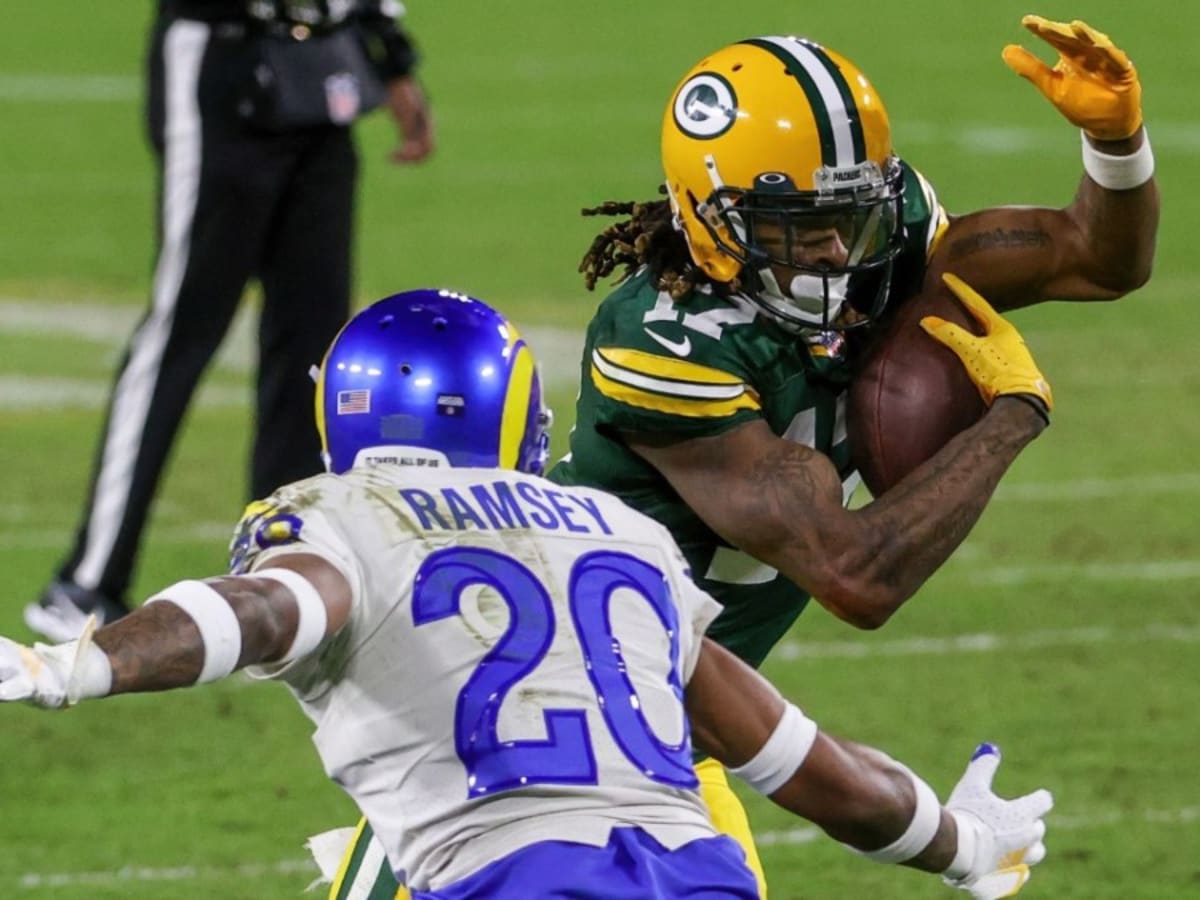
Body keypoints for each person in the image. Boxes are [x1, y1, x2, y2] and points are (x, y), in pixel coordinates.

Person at [0, 289, 1052, 900]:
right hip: (699, 876)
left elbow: (269, 611)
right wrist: (965, 845)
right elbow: (798, 760)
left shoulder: (345, 515)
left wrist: (79, 665)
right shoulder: (625, 532)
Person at [542, 16, 1157, 891]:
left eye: (849, 215)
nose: (838, 249)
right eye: (801, 225)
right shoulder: (667, 341)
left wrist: (1115, 143)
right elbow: (855, 577)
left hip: (686, 712)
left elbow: (1097, 260)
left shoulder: (886, 243)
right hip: (578, 707)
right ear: (714, 218)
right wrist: (1012, 416)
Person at [25, 0, 435, 643]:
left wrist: (390, 53)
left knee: (313, 338)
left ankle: (279, 566)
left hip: (324, 66)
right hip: (221, 56)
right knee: (182, 329)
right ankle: (85, 579)